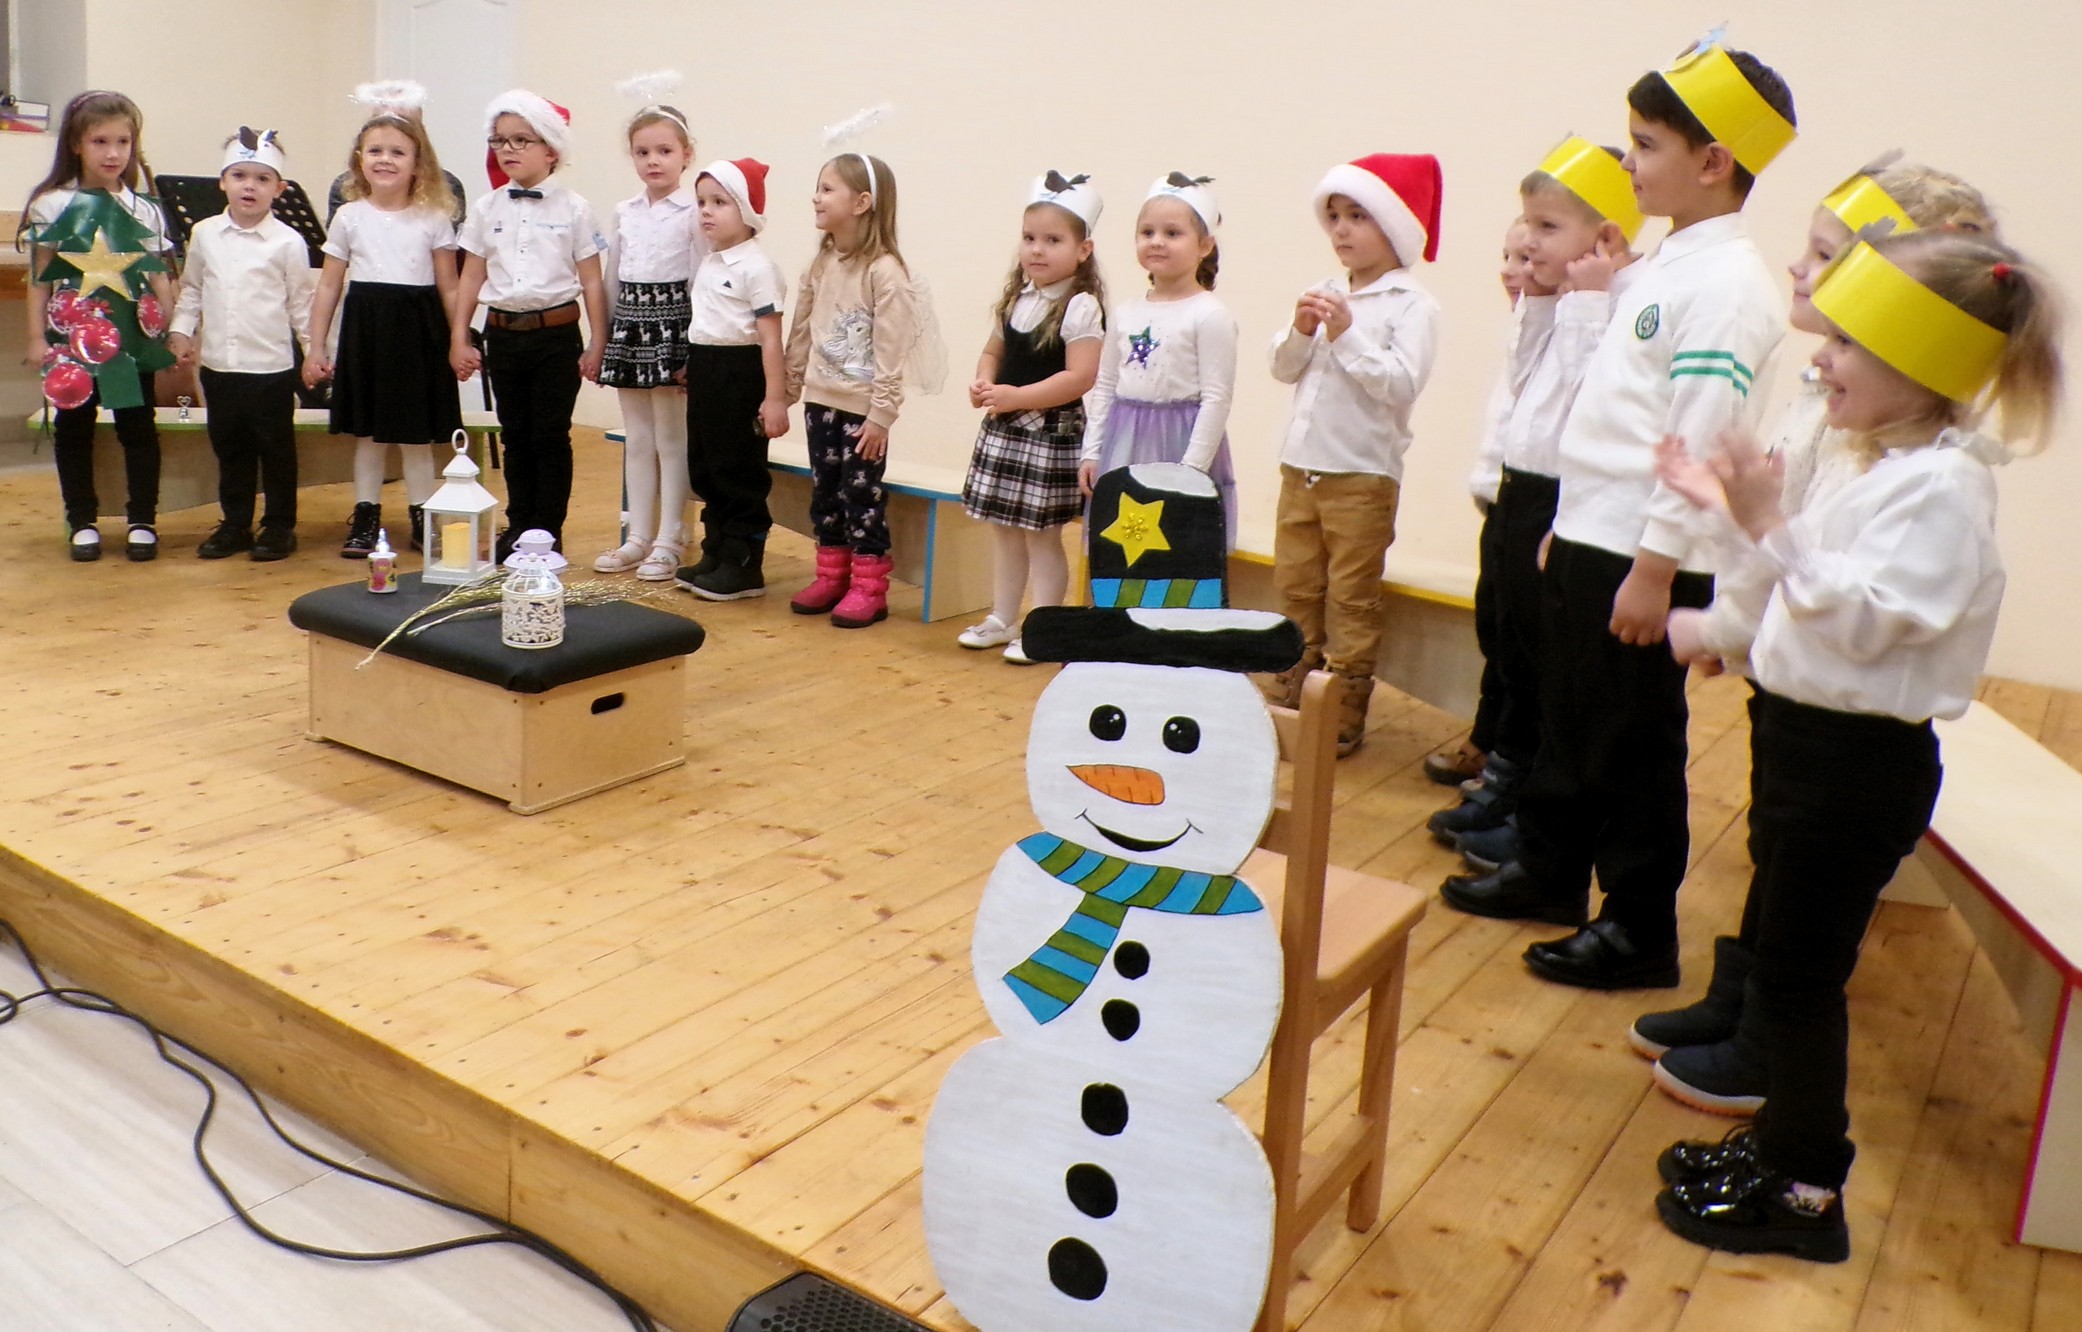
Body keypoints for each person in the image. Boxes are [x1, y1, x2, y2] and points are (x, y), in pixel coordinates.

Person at [1648, 227, 2062, 1263]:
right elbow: (1804, 582)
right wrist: (1739, 533)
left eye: (1846, 344)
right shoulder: (1881, 463)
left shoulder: (1944, 489)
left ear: (1918, 366)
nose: (1821, 359)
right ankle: (1780, 1149)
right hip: (1808, 750)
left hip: (1855, 767)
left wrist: (1767, 526)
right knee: (1788, 967)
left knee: (1799, 983)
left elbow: (1870, 617)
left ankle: (1804, 1190)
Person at [1628, 162, 1998, 1117]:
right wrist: (1731, 619)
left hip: (1851, 734)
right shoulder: (1851, 419)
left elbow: (1829, 578)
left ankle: (1783, 1109)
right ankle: (1747, 1011)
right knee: (1777, 873)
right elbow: (1790, 554)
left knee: (1803, 939)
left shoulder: (1932, 474)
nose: (1801, 271)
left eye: (1828, 259)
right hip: (1804, 706)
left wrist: (1752, 540)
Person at [1439, 33, 1796, 994]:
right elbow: (1610, 413)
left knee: (1631, 743)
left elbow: (1697, 431)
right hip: (1594, 534)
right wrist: (1571, 520)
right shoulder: (1664, 268)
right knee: (1570, 719)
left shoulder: (1727, 286)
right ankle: (1551, 870)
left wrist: (1654, 564)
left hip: (1644, 554)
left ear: (1712, 161)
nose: (1628, 162)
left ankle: (1639, 926)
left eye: (1645, 144)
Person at [1434, 139, 1644, 865]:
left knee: (1551, 664)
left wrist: (1583, 303)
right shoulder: (1560, 297)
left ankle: (1529, 797)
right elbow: (1524, 380)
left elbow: (1591, 403)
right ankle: (1508, 776)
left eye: (1547, 227)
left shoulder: (1614, 303)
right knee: (1512, 643)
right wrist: (1542, 300)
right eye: (1528, 222)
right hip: (1520, 487)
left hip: (1565, 495)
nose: (1529, 240)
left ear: (1606, 235)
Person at [1260, 154, 1442, 755]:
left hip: (1362, 477)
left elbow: (1400, 385)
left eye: (1358, 216)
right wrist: (1300, 330)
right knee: (1295, 585)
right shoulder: (1327, 292)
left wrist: (1346, 335)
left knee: (1352, 598)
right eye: (1334, 216)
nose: (1341, 229)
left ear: (1394, 225)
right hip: (1301, 466)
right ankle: (1293, 684)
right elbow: (1283, 368)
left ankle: (1341, 706)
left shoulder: (1413, 305)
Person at [450, 89, 610, 560]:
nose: (508, 149)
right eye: (500, 140)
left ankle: (548, 531)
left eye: (521, 140)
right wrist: (459, 336)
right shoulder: (487, 208)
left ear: (551, 149)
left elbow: (592, 280)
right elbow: (470, 277)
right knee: (515, 436)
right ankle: (519, 525)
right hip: (502, 335)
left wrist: (598, 342)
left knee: (549, 436)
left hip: (556, 336)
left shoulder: (575, 208)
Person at [956, 171, 1107, 663]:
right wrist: (984, 381)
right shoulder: (1017, 299)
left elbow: (1080, 377)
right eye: (1029, 238)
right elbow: (993, 352)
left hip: (1049, 435)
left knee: (1041, 537)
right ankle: (1003, 617)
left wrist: (1017, 396)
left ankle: (1043, 627)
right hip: (1005, 430)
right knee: (1004, 531)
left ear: (1083, 250)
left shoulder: (1080, 307)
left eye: (1053, 240)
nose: (1037, 249)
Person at [21, 90, 175, 562]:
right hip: (73, 341)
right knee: (74, 428)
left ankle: (142, 520)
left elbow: (159, 276)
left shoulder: (143, 208)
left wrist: (173, 329)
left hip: (130, 342)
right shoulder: (52, 204)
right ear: (76, 144)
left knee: (137, 427)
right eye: (100, 141)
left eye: (123, 142)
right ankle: (82, 520)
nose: (113, 153)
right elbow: (39, 278)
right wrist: (35, 337)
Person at [304, 105, 461, 557]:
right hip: (366, 332)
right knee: (369, 434)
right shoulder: (349, 217)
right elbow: (329, 285)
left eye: (397, 152)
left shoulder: (434, 218)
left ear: (418, 163)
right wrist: (316, 346)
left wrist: (459, 338)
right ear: (360, 159)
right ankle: (366, 516)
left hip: (418, 333)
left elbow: (449, 287)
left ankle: (422, 515)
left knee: (415, 435)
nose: (385, 160)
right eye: (375, 151)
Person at [1426, 220, 1543, 785]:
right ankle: (1489, 737)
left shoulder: (1561, 332)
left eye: (1526, 258)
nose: (1509, 270)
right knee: (1494, 627)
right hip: (1500, 499)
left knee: (1520, 641)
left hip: (1532, 503)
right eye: (1507, 256)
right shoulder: (1520, 329)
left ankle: (1506, 756)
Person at [782, 152, 921, 628]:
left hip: (863, 413)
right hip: (820, 402)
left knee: (860, 495)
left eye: (827, 189)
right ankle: (832, 575)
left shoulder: (884, 272)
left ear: (862, 202)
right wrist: (789, 388)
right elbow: (801, 328)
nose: (815, 198)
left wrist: (881, 414)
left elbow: (892, 350)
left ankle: (870, 588)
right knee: (824, 493)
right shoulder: (822, 263)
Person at [168, 129, 313, 561]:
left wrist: (315, 352)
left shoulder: (288, 242)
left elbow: (300, 305)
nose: (250, 186)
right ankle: (235, 524)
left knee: (276, 450)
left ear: (279, 189)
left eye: (262, 179)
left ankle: (279, 525)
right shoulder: (205, 234)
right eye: (239, 176)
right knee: (230, 449)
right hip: (219, 366)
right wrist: (181, 330)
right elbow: (193, 289)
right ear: (222, 181)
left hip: (270, 368)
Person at [1078, 174, 1239, 546]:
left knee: (1172, 548)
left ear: (1204, 245)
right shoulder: (1125, 311)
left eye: (1172, 233)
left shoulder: (1209, 315)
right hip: (1123, 442)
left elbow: (1216, 399)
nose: (1157, 241)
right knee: (1121, 549)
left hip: (1179, 445)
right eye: (1147, 232)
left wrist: (1191, 472)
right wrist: (1092, 451)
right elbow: (1105, 385)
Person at [594, 91, 705, 582]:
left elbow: (701, 277)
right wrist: (603, 338)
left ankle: (670, 537)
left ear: (686, 154)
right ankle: (637, 535)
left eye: (664, 150)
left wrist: (693, 346)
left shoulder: (693, 210)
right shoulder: (625, 211)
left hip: (673, 327)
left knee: (671, 438)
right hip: (631, 325)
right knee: (637, 437)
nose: (653, 160)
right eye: (643, 152)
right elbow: (612, 276)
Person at [676, 157, 788, 601]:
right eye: (702, 202)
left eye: (720, 202)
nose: (707, 211)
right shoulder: (710, 261)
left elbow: (771, 339)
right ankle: (717, 550)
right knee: (706, 464)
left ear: (747, 210)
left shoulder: (757, 267)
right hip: (706, 369)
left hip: (740, 374)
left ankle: (744, 564)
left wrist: (775, 398)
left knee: (737, 468)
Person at [325, 81, 466, 227]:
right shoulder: (345, 188)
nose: (385, 159)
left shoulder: (448, 187)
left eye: (404, 125)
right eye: (382, 122)